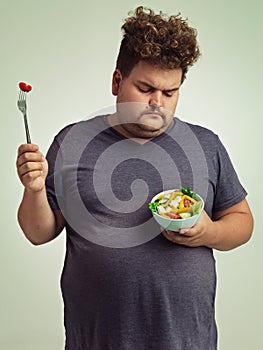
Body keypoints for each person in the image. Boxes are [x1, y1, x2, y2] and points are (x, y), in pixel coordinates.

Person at [16, 6, 253, 350]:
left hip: (186, 340)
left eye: (170, 93)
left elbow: (242, 222)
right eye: (145, 88)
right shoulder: (72, 142)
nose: (157, 103)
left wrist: (208, 231)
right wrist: (34, 190)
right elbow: (39, 233)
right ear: (117, 81)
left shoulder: (205, 145)